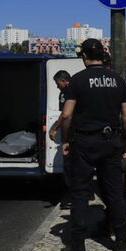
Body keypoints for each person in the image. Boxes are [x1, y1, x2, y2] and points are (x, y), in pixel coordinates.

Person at [59, 38, 126, 251]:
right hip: (111, 142)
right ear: (103, 54)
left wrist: (65, 140)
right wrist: (124, 143)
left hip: (83, 142)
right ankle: (120, 241)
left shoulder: (77, 81)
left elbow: (67, 114)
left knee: (80, 194)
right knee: (114, 192)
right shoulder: (118, 80)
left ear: (84, 56)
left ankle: (78, 247)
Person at [48, 70, 73, 208]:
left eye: (57, 84)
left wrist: (55, 129)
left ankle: (71, 198)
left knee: (69, 167)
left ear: (63, 81)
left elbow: (65, 114)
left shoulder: (67, 91)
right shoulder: (77, 88)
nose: (57, 87)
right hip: (82, 133)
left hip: (72, 134)